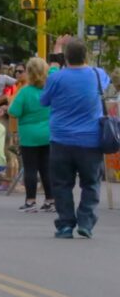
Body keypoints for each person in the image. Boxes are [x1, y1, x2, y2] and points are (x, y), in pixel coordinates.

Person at [40, 40, 111, 239]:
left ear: (66, 57)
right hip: (91, 141)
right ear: (86, 56)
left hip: (61, 140)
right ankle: (86, 222)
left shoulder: (56, 77)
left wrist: (55, 66)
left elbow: (44, 101)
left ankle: (65, 225)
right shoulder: (98, 74)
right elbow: (105, 86)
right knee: (91, 183)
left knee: (61, 184)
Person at [8, 57, 53, 212]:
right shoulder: (49, 90)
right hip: (48, 133)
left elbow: (14, 111)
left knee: (30, 169)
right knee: (46, 168)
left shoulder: (25, 91)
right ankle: (50, 200)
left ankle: (31, 201)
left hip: (29, 136)